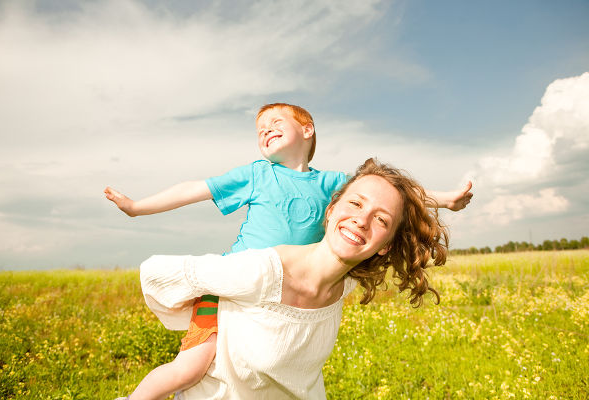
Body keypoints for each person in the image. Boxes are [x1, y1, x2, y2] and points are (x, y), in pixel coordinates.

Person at [105, 104, 472, 400]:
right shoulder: (258, 174)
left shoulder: (331, 183)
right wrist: (138, 208)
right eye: (259, 129)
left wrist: (447, 200)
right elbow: (195, 189)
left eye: (275, 122)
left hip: (288, 294)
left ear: (307, 129)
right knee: (190, 368)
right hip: (230, 286)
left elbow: (395, 195)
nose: (264, 130)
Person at [137, 158, 449, 399]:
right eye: (355, 203)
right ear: (330, 210)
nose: (362, 219)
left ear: (386, 247)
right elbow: (158, 273)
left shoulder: (344, 285)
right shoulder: (261, 270)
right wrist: (211, 309)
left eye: (381, 219)